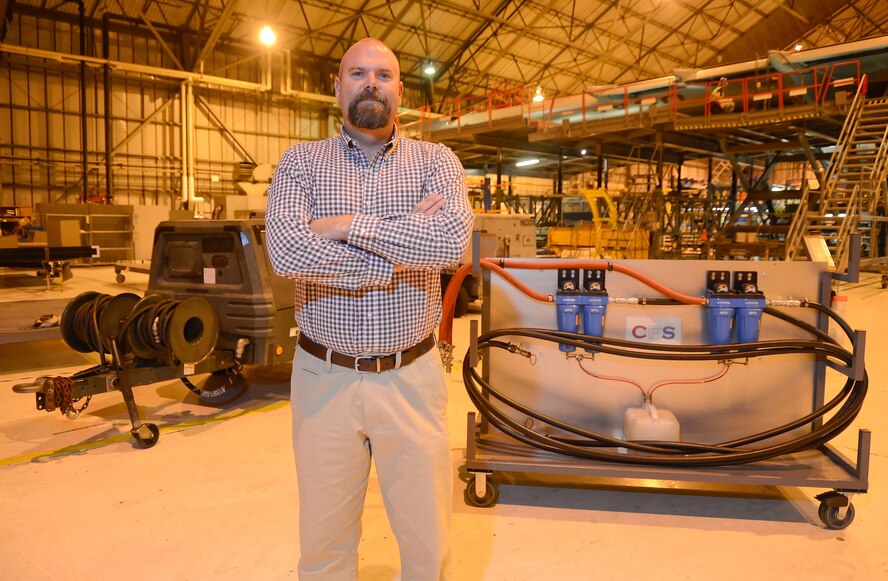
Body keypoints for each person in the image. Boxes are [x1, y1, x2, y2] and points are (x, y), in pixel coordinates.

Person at [265, 38, 474, 580]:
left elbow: (450, 247)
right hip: (322, 377)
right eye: (358, 73)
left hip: (412, 373)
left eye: (384, 74)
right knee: (324, 542)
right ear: (337, 87)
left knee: (427, 541)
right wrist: (404, 238)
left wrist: (343, 227)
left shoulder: (437, 162)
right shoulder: (302, 164)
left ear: (400, 91)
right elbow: (286, 252)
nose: (372, 83)